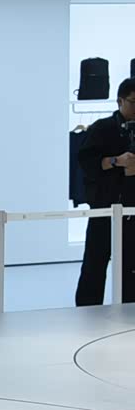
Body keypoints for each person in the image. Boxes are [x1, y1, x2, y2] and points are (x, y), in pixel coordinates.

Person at [75, 77, 135, 306]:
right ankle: (87, 313)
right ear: (120, 101)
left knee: (131, 266)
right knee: (95, 264)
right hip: (104, 209)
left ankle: (130, 312)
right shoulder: (102, 128)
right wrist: (116, 161)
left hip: (133, 210)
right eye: (134, 102)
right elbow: (87, 164)